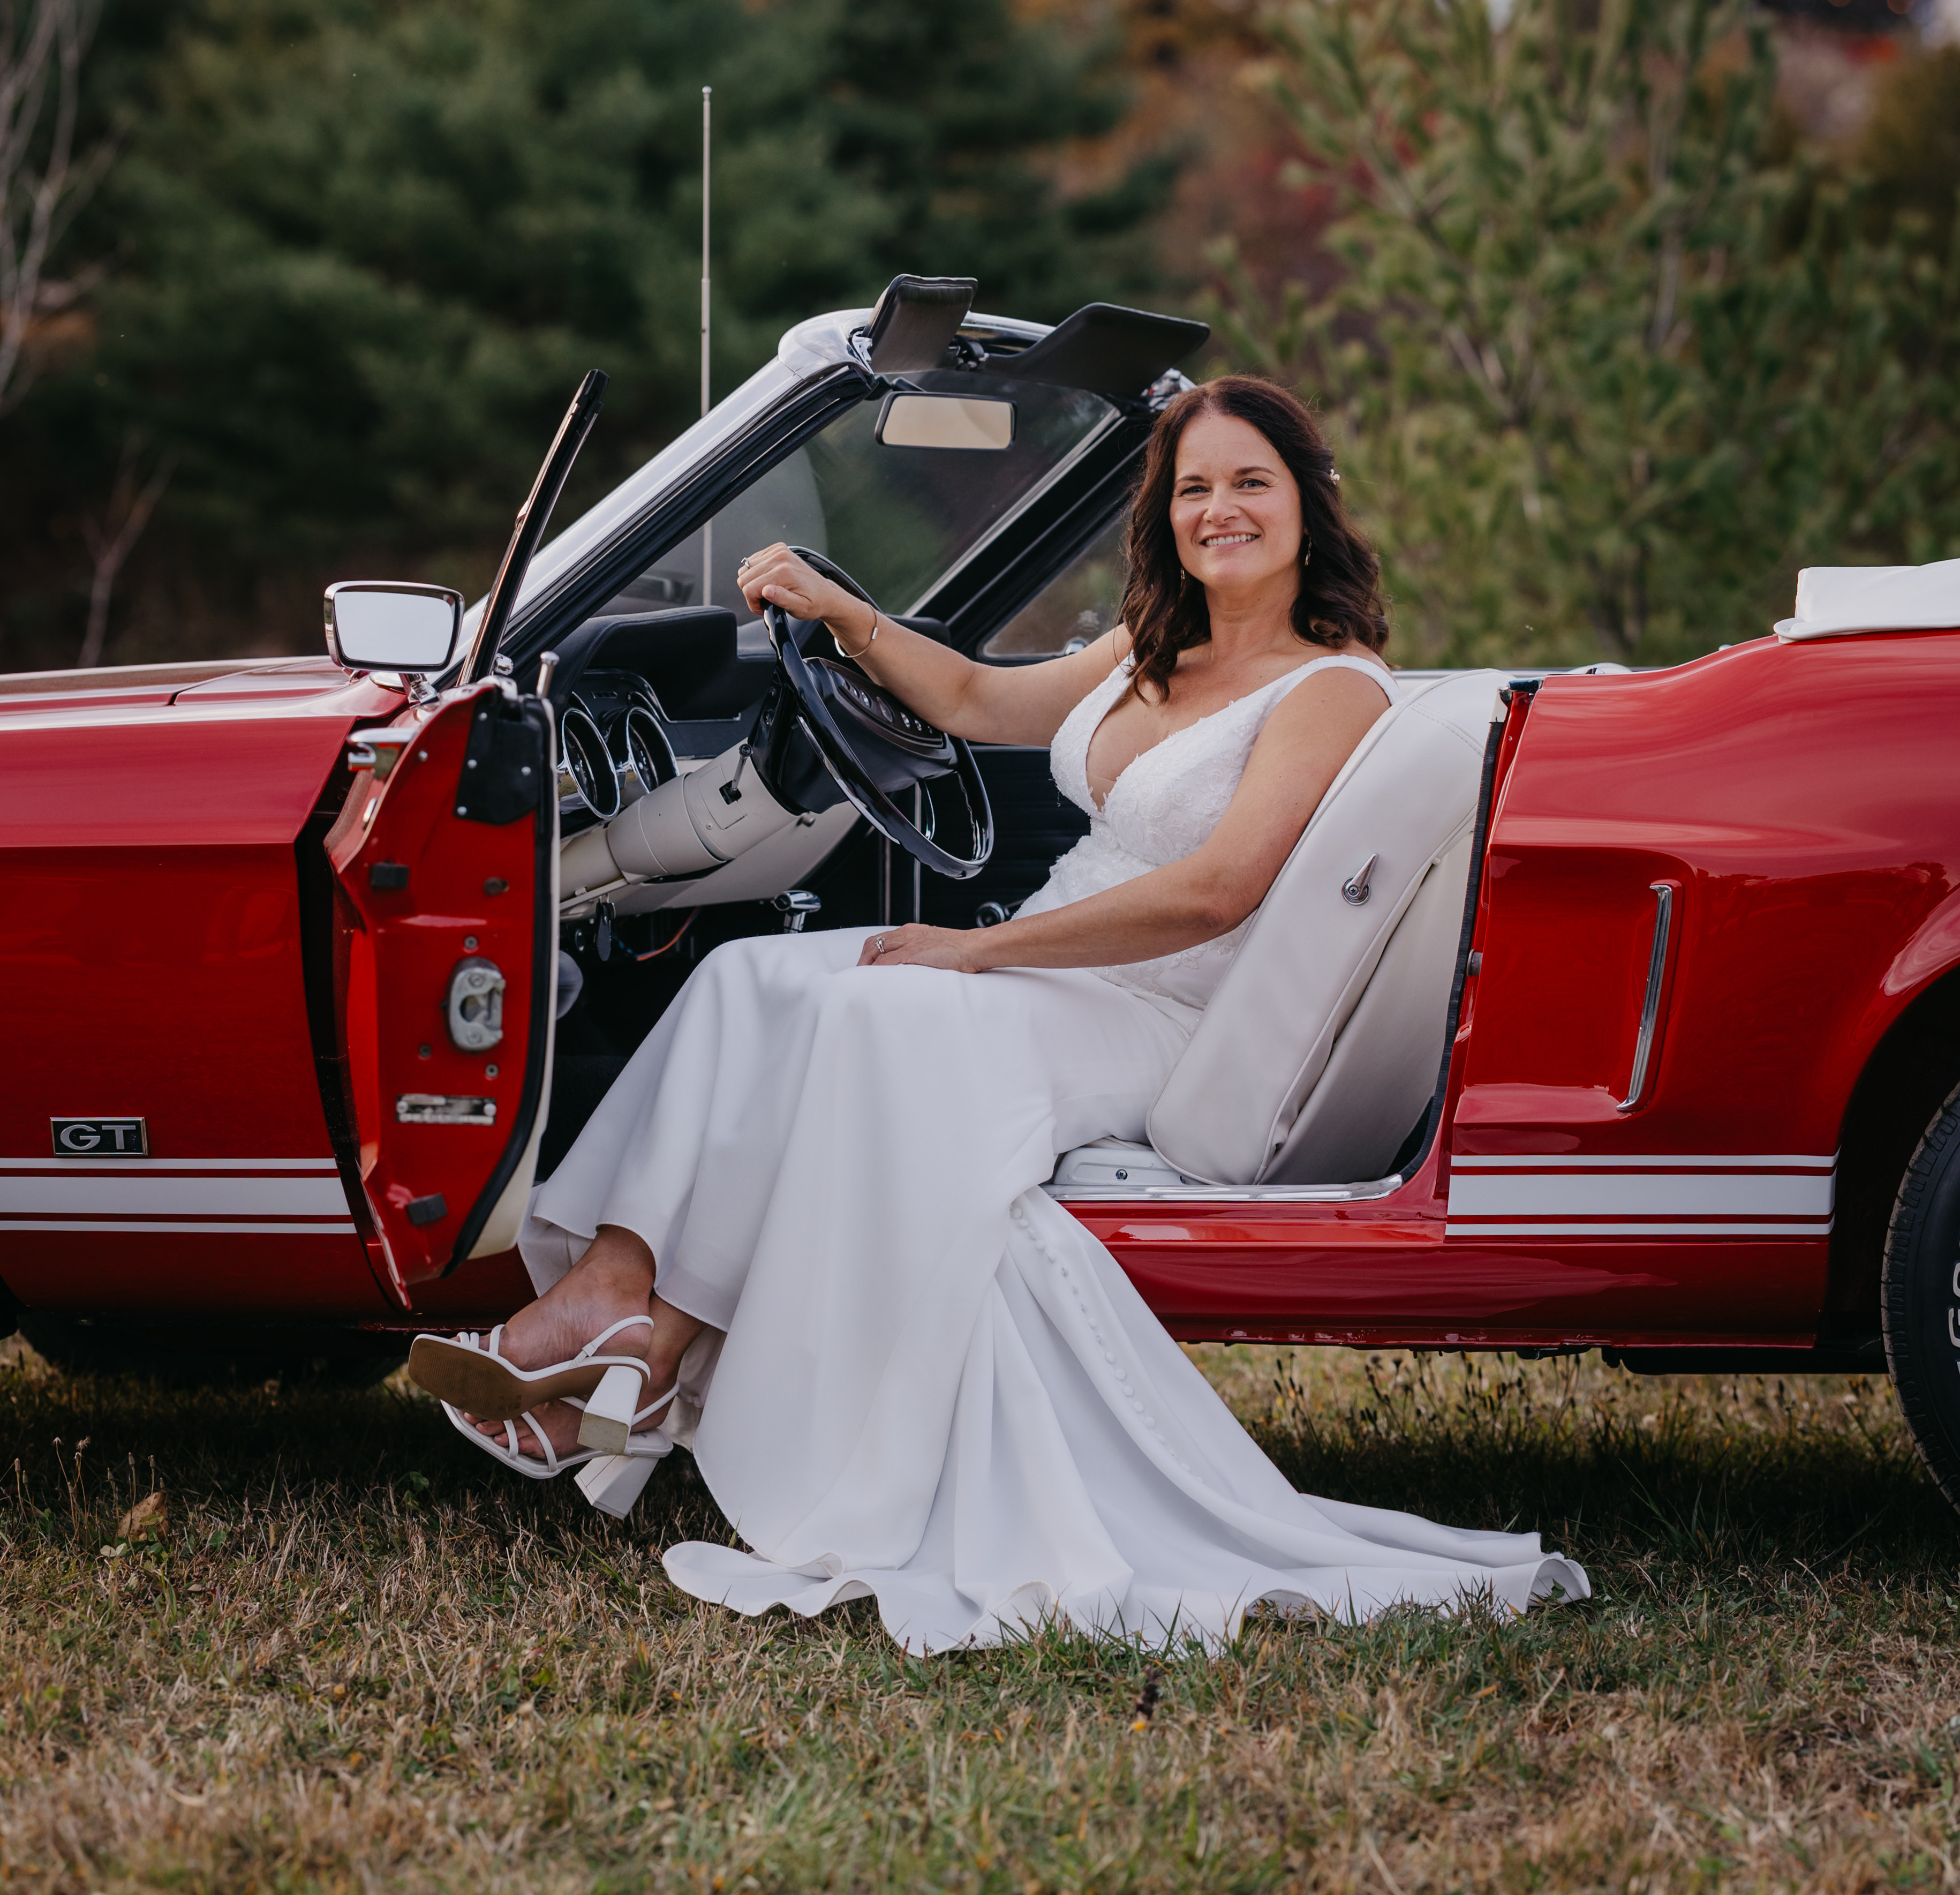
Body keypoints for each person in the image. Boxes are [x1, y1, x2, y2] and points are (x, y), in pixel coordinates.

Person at [410, 377, 1588, 1650]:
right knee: (744, 980)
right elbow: (973, 702)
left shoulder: (1328, 686)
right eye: (1193, 486)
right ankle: (615, 1294)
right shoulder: (1150, 645)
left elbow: (1214, 890)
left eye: (1250, 480)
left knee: (876, 1015)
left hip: (1146, 1005)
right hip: (1038, 966)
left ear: (1308, 503)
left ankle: (654, 1338)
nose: (1219, 509)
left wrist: (978, 954)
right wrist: (844, 613)